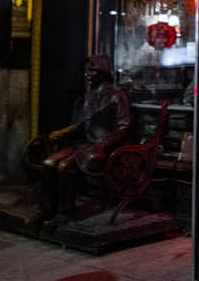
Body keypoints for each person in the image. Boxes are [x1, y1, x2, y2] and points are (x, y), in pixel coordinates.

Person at [38, 56, 132, 220]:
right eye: (86, 70)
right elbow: (83, 123)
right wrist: (64, 132)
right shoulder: (91, 94)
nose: (87, 74)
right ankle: (48, 209)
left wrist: (104, 144)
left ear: (103, 72)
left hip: (102, 147)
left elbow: (124, 126)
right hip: (86, 144)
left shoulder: (117, 95)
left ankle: (65, 213)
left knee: (65, 166)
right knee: (49, 163)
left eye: (92, 70)